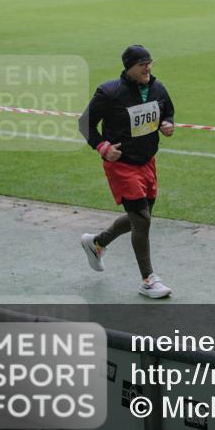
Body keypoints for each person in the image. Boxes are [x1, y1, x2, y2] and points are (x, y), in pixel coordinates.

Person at [78, 45, 175, 299]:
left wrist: (168, 124)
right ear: (129, 67)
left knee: (140, 217)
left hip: (148, 162)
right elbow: (85, 123)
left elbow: (168, 111)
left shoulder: (157, 88)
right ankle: (148, 279)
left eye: (149, 63)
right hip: (122, 165)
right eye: (142, 64)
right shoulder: (110, 92)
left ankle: (97, 243)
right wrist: (102, 147)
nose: (148, 68)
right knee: (141, 220)